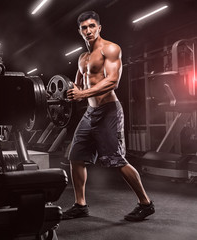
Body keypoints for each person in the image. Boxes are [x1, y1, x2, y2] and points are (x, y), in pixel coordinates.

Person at [63, 11, 155, 221]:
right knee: (76, 157)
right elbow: (77, 85)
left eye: (92, 26)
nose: (88, 31)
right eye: (84, 28)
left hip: (109, 111)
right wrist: (69, 93)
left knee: (117, 160)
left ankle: (145, 203)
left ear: (99, 27)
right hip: (90, 112)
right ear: (80, 31)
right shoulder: (82, 57)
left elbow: (113, 81)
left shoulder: (111, 49)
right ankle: (80, 204)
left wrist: (82, 94)